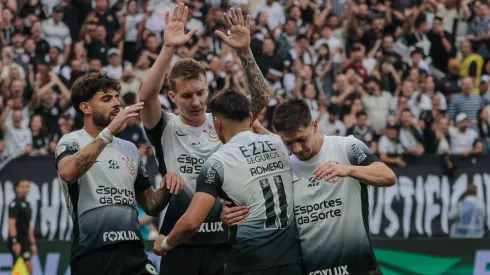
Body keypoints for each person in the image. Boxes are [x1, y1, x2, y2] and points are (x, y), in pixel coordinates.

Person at [139, 5, 270, 275]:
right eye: (187, 96)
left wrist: (245, 52)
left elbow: (260, 99)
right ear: (173, 97)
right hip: (179, 238)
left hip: (225, 238)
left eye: (200, 92)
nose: (197, 102)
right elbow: (146, 96)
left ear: (208, 88)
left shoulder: (224, 122)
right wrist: (168, 48)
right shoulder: (165, 125)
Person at [222, 99, 397, 275]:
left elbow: (388, 176)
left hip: (359, 267)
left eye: (301, 139)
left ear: (314, 125)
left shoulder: (346, 147)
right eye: (288, 143)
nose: (297, 148)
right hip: (311, 269)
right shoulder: (284, 166)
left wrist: (348, 169)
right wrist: (231, 214)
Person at [153, 90, 303, 275]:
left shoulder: (217, 162)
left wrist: (166, 244)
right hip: (291, 261)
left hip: (248, 262)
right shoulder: (281, 145)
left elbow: (192, 221)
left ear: (217, 123)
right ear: (249, 117)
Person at [55, 72, 184, 275]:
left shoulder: (129, 148)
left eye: (117, 97)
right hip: (93, 254)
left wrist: (168, 185)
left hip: (134, 253)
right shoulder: (71, 141)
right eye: (107, 99)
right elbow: (68, 172)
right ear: (85, 107)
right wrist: (109, 132)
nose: (117, 103)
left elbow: (150, 205)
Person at [8, 179, 36, 274]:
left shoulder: (27, 204)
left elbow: (28, 225)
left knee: (27, 267)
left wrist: (32, 243)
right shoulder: (14, 204)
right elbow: (11, 224)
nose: (25, 189)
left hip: (25, 240)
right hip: (18, 240)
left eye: (27, 186)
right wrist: (15, 241)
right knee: (21, 266)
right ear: (17, 188)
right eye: (22, 187)